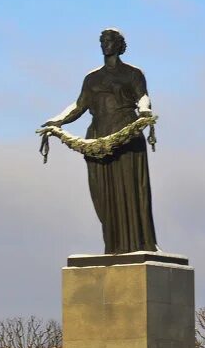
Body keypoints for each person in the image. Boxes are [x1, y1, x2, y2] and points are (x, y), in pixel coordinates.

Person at [41, 27, 157, 254]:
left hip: (125, 134)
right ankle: (113, 244)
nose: (105, 44)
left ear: (120, 44)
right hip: (97, 137)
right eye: (102, 40)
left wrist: (144, 111)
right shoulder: (92, 78)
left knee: (130, 190)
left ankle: (137, 244)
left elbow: (143, 96)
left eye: (110, 40)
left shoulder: (132, 74)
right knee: (102, 192)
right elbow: (79, 106)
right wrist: (57, 121)